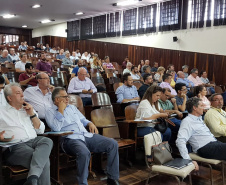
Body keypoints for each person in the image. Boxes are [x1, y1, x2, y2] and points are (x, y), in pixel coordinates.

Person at [45, 87, 119, 185]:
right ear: (57, 99)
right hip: (69, 139)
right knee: (84, 153)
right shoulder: (49, 112)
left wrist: (90, 123)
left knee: (112, 143)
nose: (68, 99)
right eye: (65, 97)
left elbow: (83, 120)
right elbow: (57, 128)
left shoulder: (72, 107)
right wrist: (61, 110)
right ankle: (82, 183)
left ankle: (112, 178)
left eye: (67, 96)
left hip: (85, 135)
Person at [0, 83, 53, 185]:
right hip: (15, 146)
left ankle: (32, 179)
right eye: (18, 93)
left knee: (47, 140)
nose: (22, 95)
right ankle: (33, 178)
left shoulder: (28, 109)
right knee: (44, 161)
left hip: (34, 141)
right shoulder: (1, 112)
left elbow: (40, 131)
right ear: (10, 98)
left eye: (22, 92)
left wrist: (32, 114)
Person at [176, 97, 226, 171]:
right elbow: (180, 141)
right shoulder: (187, 122)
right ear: (195, 108)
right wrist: (188, 160)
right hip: (205, 148)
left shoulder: (199, 118)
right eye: (201, 106)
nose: (204, 108)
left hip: (214, 144)